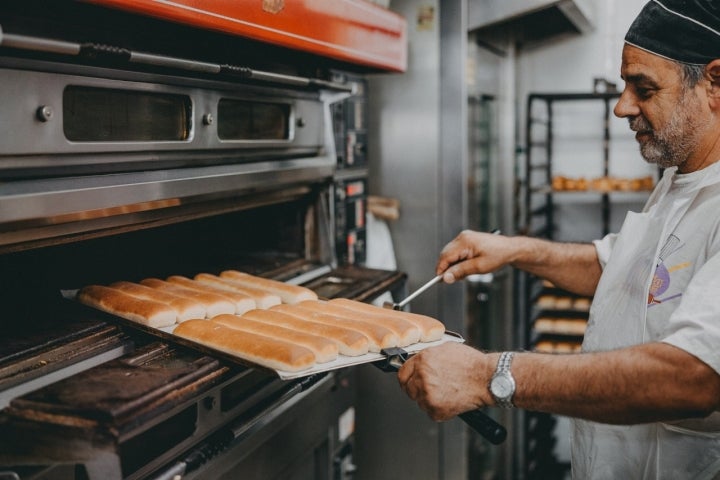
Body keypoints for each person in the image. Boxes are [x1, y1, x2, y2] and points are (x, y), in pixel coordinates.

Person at [397, 0, 720, 477]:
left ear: (714, 82)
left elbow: (694, 377)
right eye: (624, 85)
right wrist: (516, 250)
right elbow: (630, 272)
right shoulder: (682, 176)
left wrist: (490, 375)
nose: (621, 106)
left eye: (644, 88)